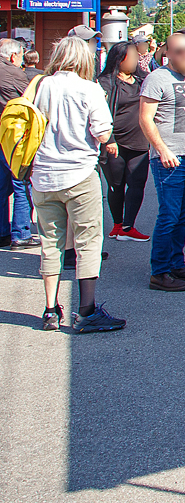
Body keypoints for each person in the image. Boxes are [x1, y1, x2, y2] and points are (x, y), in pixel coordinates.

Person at [30, 35, 124, 332]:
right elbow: (103, 133)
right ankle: (86, 311)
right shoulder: (89, 88)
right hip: (79, 175)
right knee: (87, 242)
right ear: (85, 59)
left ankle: (50, 310)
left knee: (50, 243)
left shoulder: (41, 86)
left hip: (44, 176)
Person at [140, 32, 185, 292]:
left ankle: (176, 264)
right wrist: (162, 150)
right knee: (169, 216)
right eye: (178, 51)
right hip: (169, 159)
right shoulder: (156, 78)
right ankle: (159, 273)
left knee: (182, 216)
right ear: (166, 53)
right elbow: (145, 118)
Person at [97, 42, 150, 243]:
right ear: (120, 59)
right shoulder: (104, 82)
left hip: (139, 141)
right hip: (114, 143)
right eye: (133, 56)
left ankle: (128, 226)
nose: (137, 59)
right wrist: (108, 139)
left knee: (137, 183)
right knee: (116, 185)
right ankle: (117, 225)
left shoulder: (143, 80)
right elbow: (99, 113)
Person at [0, 38, 37, 249]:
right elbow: (31, 99)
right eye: (21, 56)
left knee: (1, 185)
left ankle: (3, 232)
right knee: (21, 183)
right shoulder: (13, 72)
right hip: (14, 136)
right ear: (14, 56)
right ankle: (20, 233)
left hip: (2, 134)